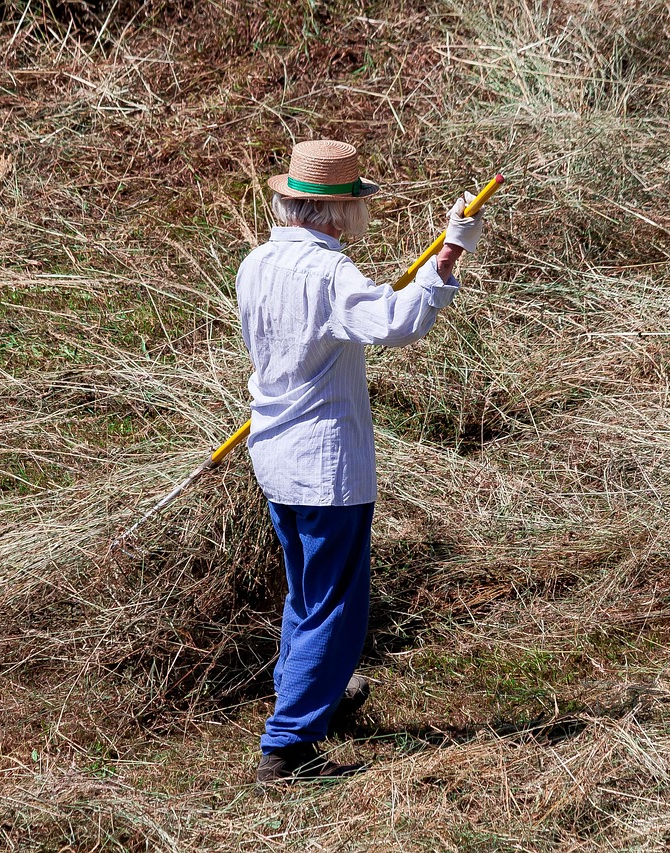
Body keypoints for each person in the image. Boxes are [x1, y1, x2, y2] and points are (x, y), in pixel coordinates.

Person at [235, 139, 483, 783]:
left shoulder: (256, 263)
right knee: (335, 603)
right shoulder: (328, 273)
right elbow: (397, 323)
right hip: (324, 463)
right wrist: (449, 255)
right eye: (356, 206)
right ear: (337, 212)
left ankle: (312, 698)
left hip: (274, 451)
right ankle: (289, 744)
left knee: (307, 592)